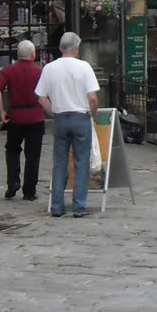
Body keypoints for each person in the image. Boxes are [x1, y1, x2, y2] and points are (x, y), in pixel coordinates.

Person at [36, 31, 100, 218]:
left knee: (59, 163)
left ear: (60, 47)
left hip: (61, 118)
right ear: (76, 48)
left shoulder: (49, 68)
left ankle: (57, 206)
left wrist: (53, 111)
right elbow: (92, 97)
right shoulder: (84, 67)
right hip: (80, 117)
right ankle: (79, 206)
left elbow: (41, 97)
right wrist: (93, 113)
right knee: (81, 162)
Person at [0, 39, 47, 201]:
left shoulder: (8, 70)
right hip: (35, 117)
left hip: (15, 117)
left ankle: (13, 182)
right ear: (33, 54)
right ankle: (29, 191)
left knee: (12, 150)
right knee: (33, 155)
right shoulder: (40, 71)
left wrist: (1, 111)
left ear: (18, 54)